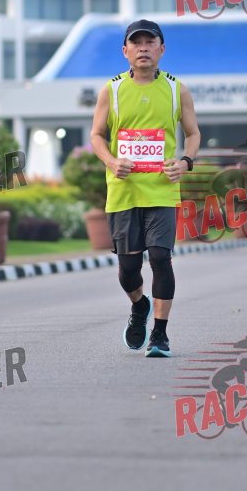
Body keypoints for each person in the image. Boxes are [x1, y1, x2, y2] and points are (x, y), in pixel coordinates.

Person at [91, 20, 200, 357]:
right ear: (125, 51)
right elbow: (96, 135)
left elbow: (193, 134)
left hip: (162, 190)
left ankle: (160, 335)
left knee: (161, 258)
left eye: (149, 42)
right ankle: (140, 305)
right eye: (135, 43)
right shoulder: (111, 91)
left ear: (161, 49)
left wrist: (185, 162)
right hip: (123, 191)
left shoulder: (177, 90)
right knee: (128, 269)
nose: (143, 48)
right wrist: (111, 161)